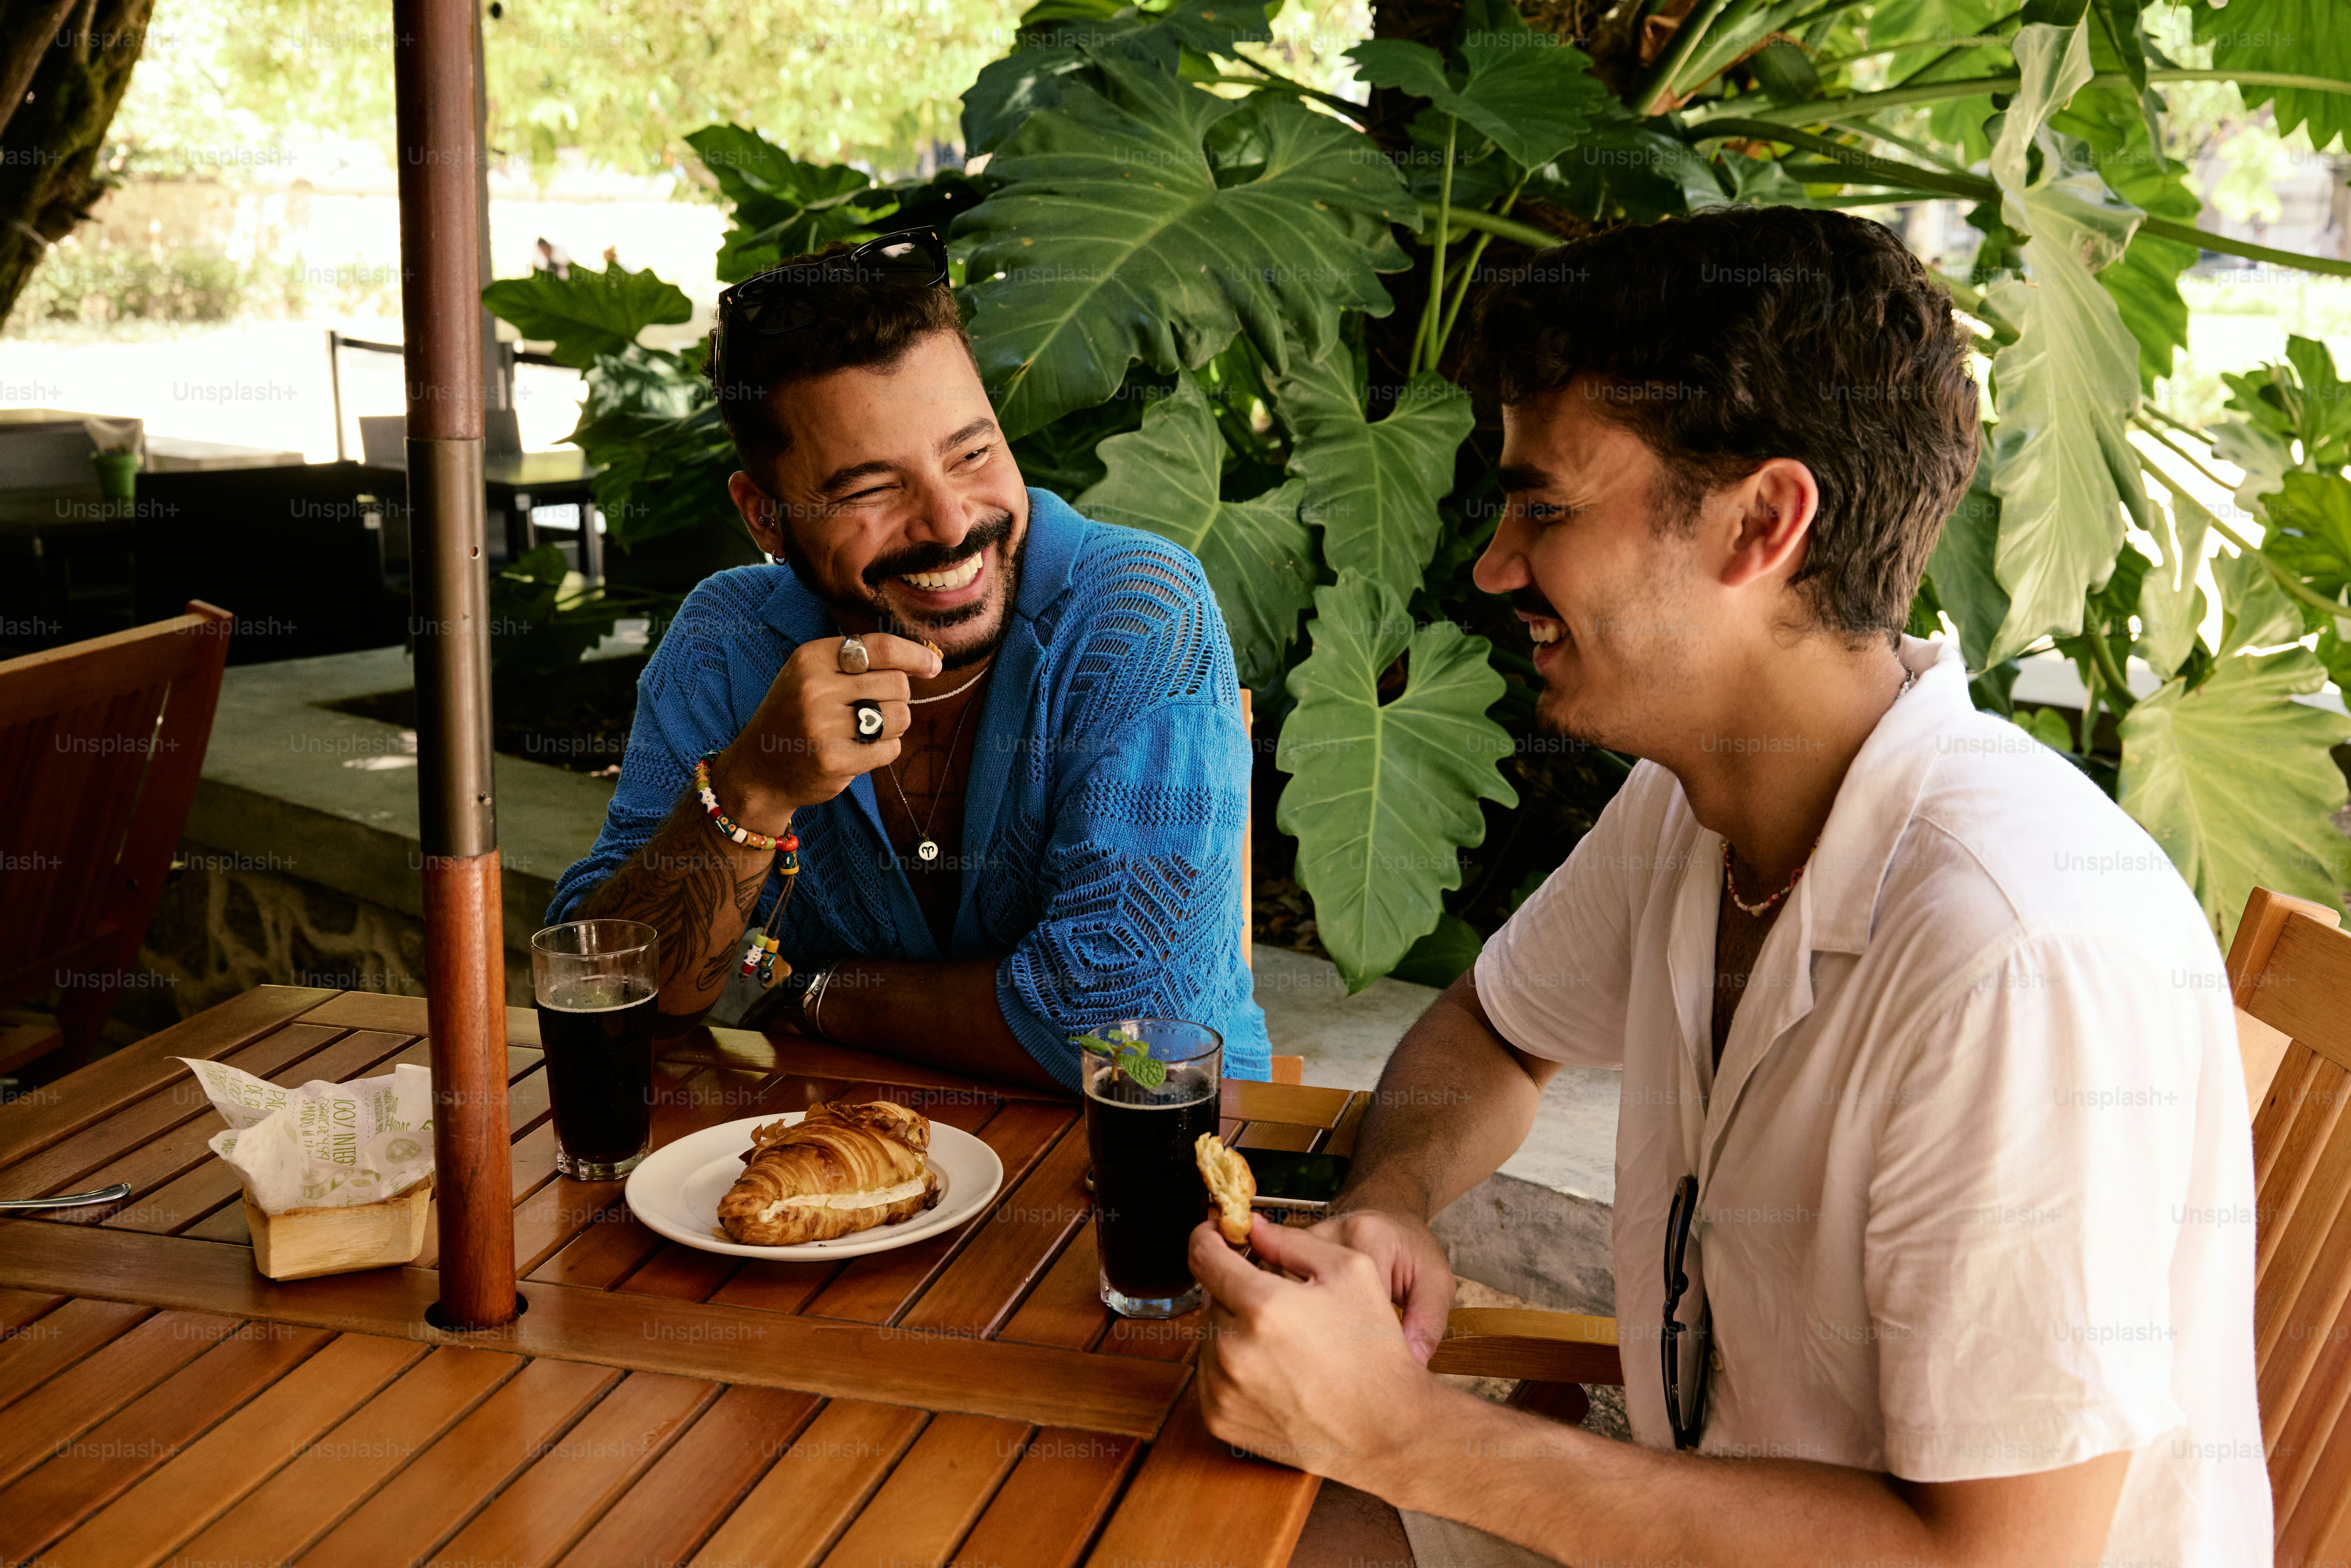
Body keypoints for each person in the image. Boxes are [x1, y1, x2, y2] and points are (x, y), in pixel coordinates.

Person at [1190, 206, 2269, 1565]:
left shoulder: (2013, 947)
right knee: (1212, 1514)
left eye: (1544, 506)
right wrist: (1391, 1204)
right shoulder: (1701, 800)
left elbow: (1995, 1559)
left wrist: (1404, 1435)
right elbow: (1494, 1031)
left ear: (1762, 520)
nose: (1493, 566)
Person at [549, 229, 1270, 1091]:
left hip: (1143, 1163)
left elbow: (1129, 1027)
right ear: (765, 515)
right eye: (868, 489)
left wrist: (821, 995)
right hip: (832, 1154)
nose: (950, 522)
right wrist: (750, 789)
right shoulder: (723, 643)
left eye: (972, 453)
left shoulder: (1136, 612)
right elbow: (608, 987)